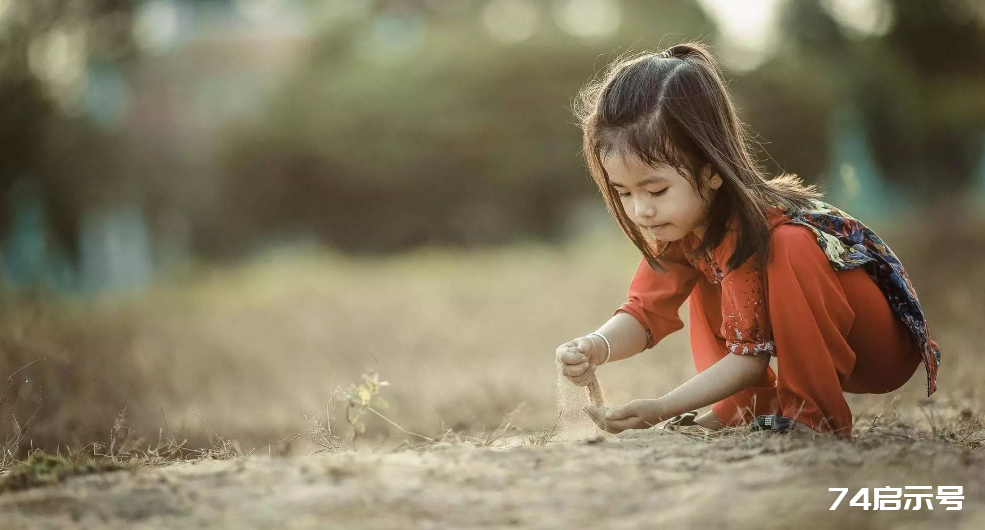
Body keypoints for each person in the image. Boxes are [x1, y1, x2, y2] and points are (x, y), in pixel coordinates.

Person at [555, 42, 941, 440]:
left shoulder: (759, 228)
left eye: (655, 191)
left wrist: (661, 408)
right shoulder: (679, 229)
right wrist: (595, 346)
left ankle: (814, 417)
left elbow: (748, 363)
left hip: (877, 348)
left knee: (789, 245)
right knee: (710, 273)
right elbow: (643, 313)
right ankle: (747, 409)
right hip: (814, 346)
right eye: (623, 193)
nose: (641, 211)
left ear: (712, 171)